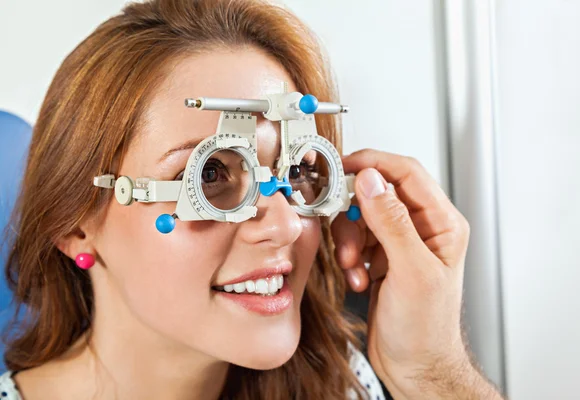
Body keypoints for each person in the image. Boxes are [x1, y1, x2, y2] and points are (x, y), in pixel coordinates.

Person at [0, 0, 504, 398]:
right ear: (76, 225)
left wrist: (433, 376)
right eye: (211, 173)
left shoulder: (342, 385)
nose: (286, 225)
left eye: (304, 170)